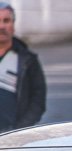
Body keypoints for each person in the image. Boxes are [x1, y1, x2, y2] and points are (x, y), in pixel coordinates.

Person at [0, 1, 46, 132]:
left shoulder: (28, 60)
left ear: (13, 25)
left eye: (6, 20)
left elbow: (38, 99)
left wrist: (20, 130)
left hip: (12, 136)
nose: (2, 26)